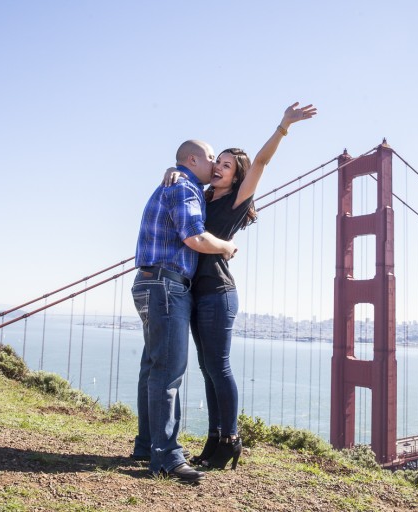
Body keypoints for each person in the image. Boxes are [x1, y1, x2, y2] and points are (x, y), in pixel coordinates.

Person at [163, 102, 317, 470]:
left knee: (219, 366)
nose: (218, 167)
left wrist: (283, 126)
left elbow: (261, 163)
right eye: (218, 162)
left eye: (227, 165)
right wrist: (172, 168)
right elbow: (184, 175)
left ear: (237, 177)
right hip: (194, 294)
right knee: (207, 368)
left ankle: (230, 439)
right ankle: (215, 439)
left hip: (218, 293)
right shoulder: (199, 196)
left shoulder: (235, 200)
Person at [132, 140, 238, 484]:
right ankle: (167, 459)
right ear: (193, 160)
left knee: (153, 368)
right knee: (167, 372)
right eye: (211, 158)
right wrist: (227, 246)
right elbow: (194, 237)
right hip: (167, 285)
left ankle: (147, 445)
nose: (214, 164)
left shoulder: (177, 182)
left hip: (151, 281)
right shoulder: (184, 188)